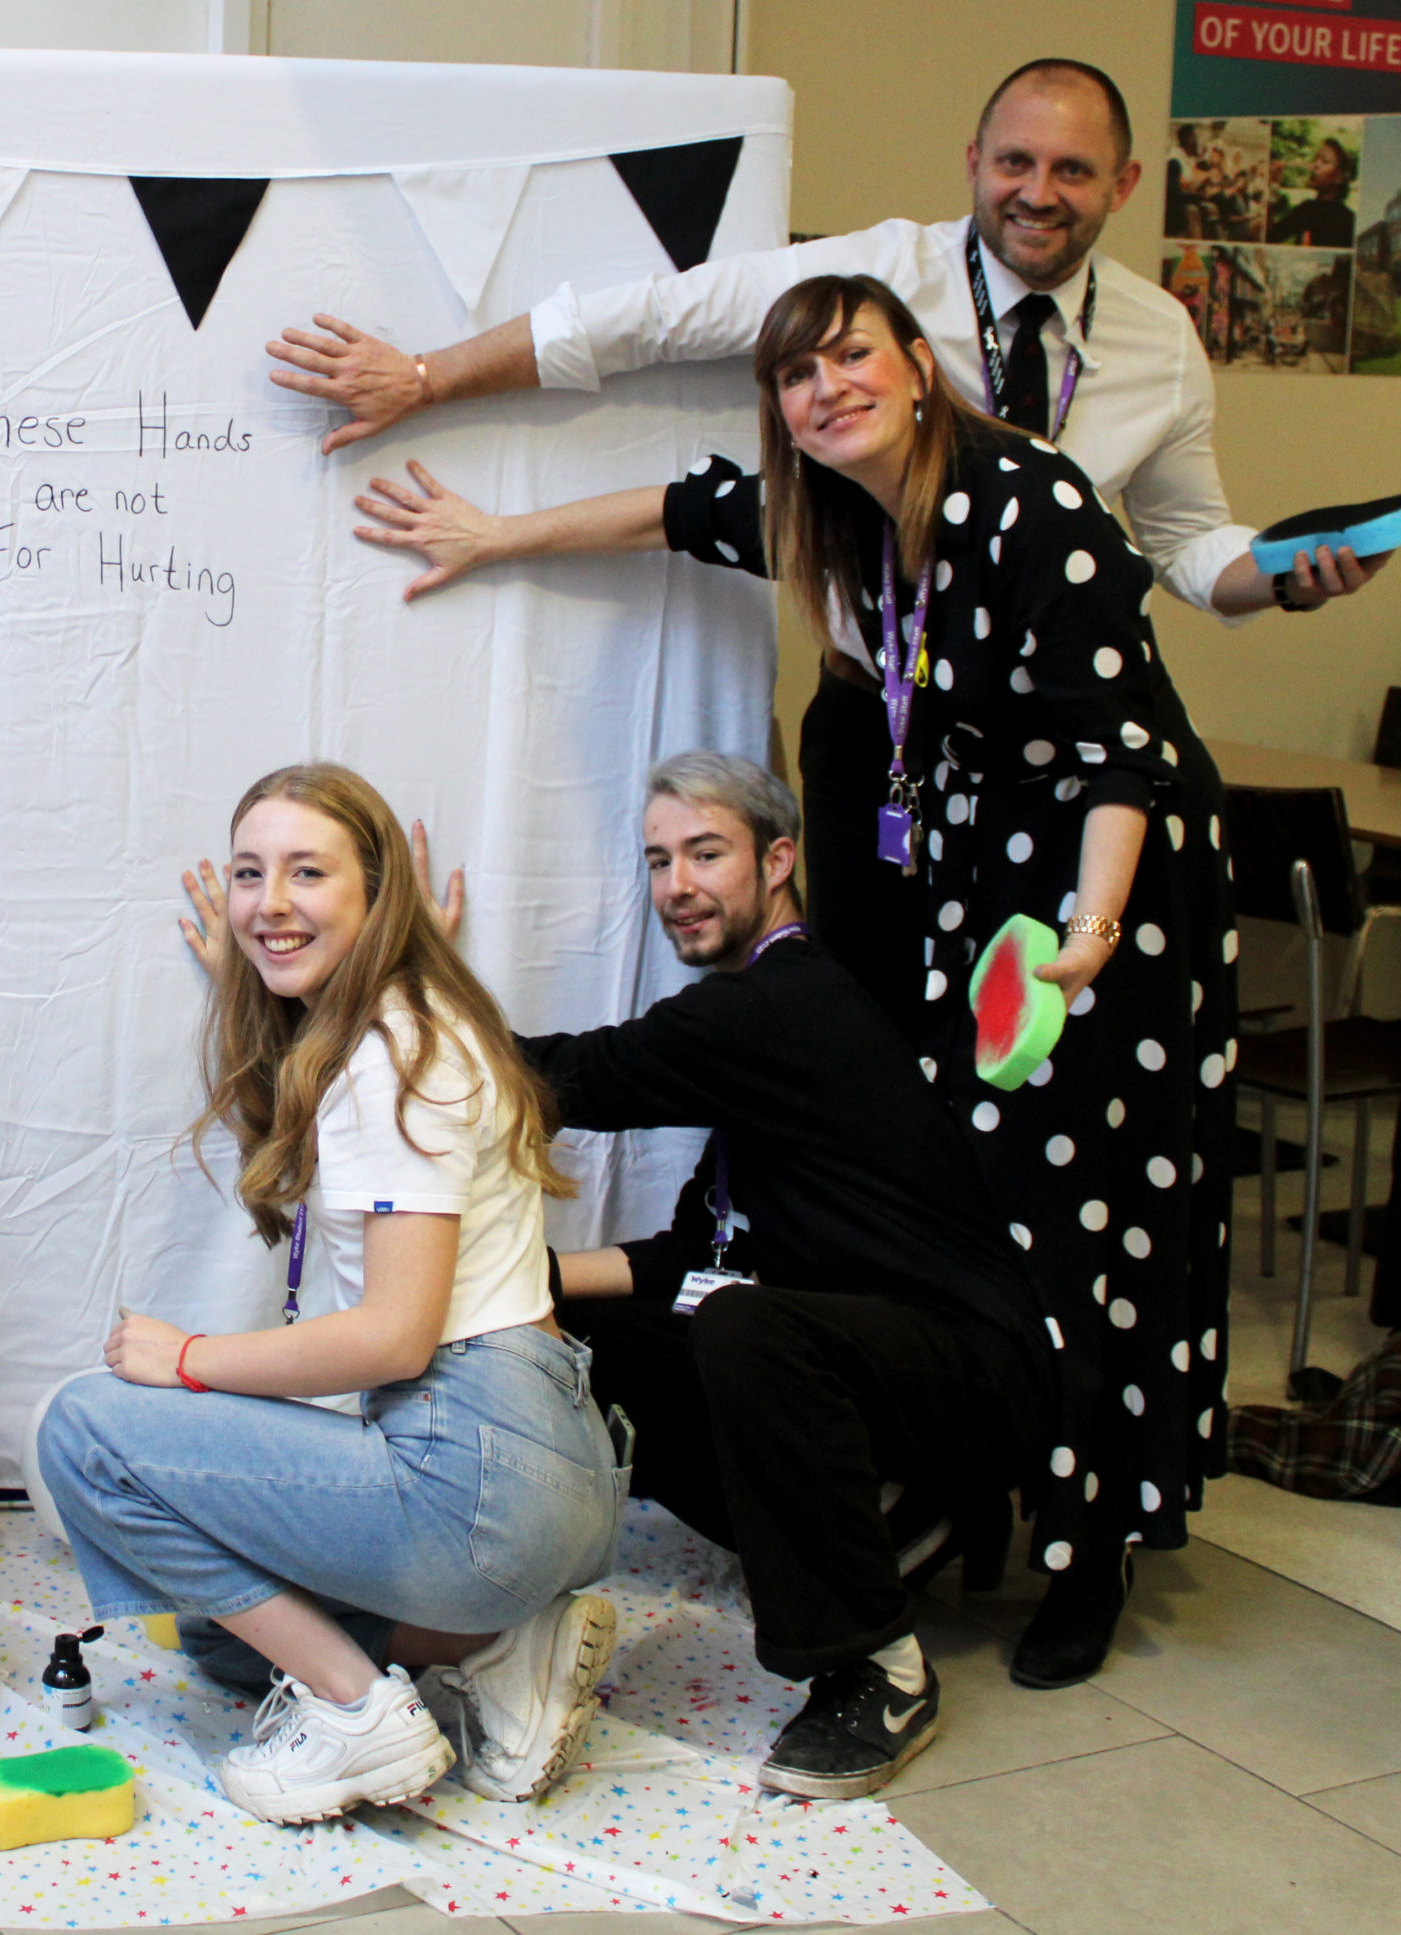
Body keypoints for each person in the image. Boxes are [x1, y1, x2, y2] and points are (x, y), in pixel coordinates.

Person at [359, 273, 1235, 1691]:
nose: (826, 390)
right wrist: (493, 533)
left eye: (851, 358)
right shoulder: (831, 515)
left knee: (1086, 1215)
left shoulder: (1032, 504)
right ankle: (953, 1493)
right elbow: (668, 509)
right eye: (797, 375)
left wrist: (1086, 931)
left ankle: (1094, 1550)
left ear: (917, 366)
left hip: (1094, 889)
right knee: (978, 1202)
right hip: (973, 878)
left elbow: (1118, 750)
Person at [266, 56, 1380, 1028]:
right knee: (880, 1030)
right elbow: (656, 340)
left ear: (1123, 185)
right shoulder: (876, 288)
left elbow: (1187, 548)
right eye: (1013, 164)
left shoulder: (1161, 339)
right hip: (888, 732)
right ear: (973, 162)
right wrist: (428, 381)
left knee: (1031, 1043)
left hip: (1054, 760)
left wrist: (1280, 578)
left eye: (1072, 172)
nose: (1036, 194)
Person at [37, 764, 621, 1827]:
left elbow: (396, 1339)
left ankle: (362, 1717)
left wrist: (190, 1359)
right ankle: (499, 1646)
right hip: (545, 1473)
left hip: (481, 1486)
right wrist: (246, 976)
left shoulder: (395, 1053)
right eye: (251, 874)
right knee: (226, 1631)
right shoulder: (395, 1029)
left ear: (376, 891)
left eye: (308, 873)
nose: (270, 903)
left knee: (84, 1430)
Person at [494, 751, 1053, 1797]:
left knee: (744, 1330)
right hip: (882, 1358)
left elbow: (568, 1076)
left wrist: (392, 988)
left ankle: (873, 1664)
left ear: (778, 859)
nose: (677, 887)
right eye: (659, 861)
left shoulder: (775, 1006)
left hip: (975, 1376)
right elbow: (691, 1258)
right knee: (595, 1332)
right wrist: (534, 1284)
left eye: (705, 853)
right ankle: (872, 1526)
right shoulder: (763, 1020)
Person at [1273, 138, 1356, 250]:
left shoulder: (1348, 221)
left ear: (1339, 178)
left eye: (1325, 162)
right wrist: (1273, 185)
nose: (1316, 165)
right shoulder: (1304, 210)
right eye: (1316, 159)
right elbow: (1269, 238)